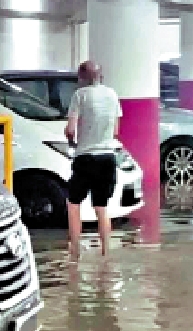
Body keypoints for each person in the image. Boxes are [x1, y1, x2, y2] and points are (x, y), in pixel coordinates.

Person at [61, 61, 123, 258]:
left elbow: (71, 129)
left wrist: (71, 139)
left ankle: (75, 250)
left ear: (81, 77)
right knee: (101, 207)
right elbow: (115, 130)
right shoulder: (112, 95)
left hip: (86, 157)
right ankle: (106, 253)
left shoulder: (80, 95)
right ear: (100, 76)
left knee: (73, 204)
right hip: (108, 157)